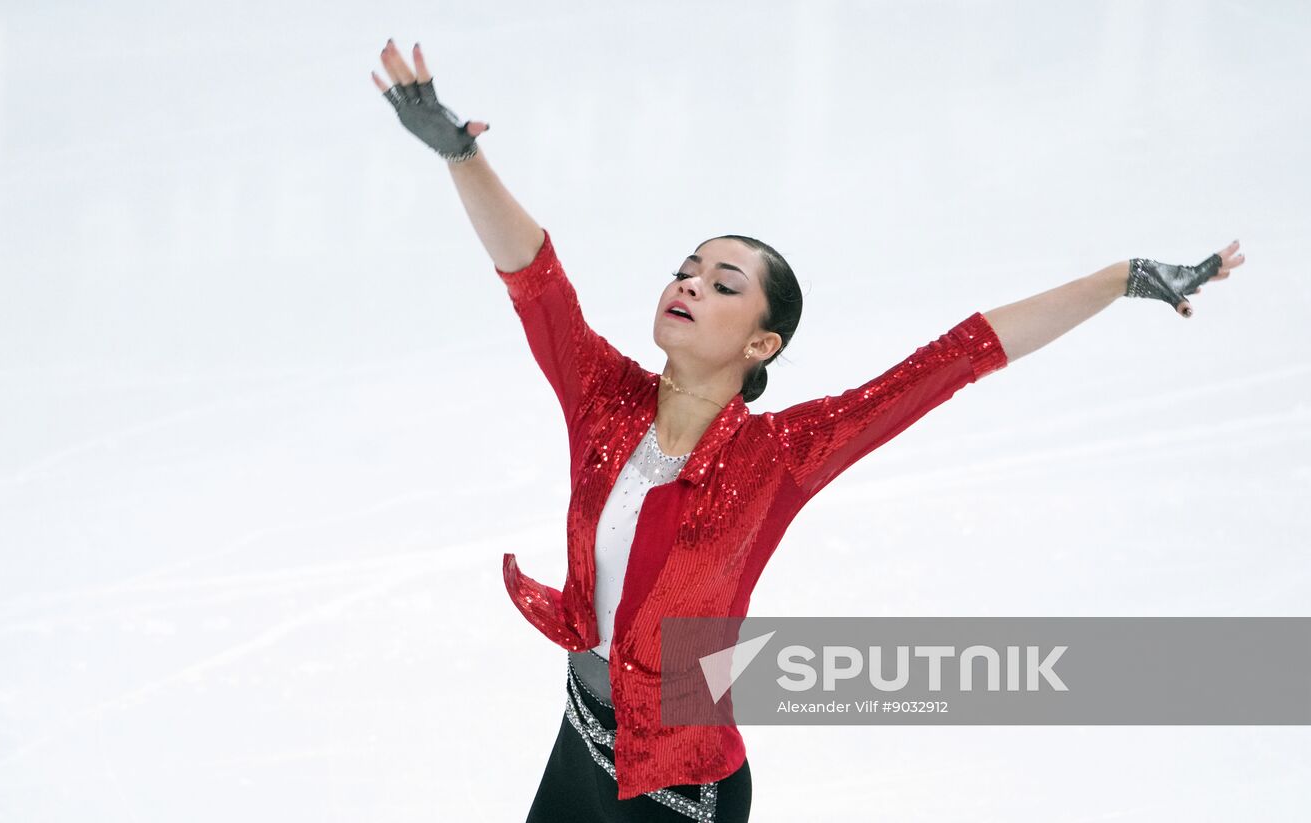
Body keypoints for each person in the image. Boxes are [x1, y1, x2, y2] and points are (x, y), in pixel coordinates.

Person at [370, 38, 1246, 823]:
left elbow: (954, 357)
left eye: (722, 283)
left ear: (762, 342)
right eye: (684, 269)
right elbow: (534, 275)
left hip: (682, 793)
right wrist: (463, 156)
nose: (687, 284)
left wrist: (1120, 278)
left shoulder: (779, 455)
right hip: (580, 740)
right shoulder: (603, 397)